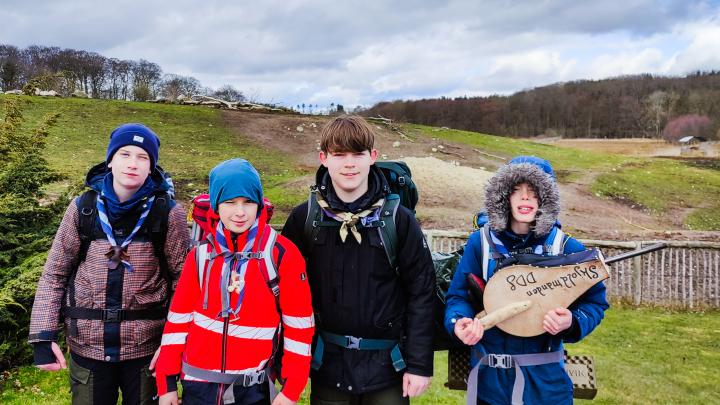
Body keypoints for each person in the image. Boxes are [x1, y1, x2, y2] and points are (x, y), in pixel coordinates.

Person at [28, 123, 190, 404]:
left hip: (146, 350)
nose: (133, 164)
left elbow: (184, 283)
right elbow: (54, 274)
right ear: (110, 160)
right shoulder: (83, 208)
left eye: (143, 157)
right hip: (88, 347)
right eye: (125, 154)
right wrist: (42, 337)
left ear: (151, 166)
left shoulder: (169, 213)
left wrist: (173, 345)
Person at [281, 116, 435, 405]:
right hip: (327, 365)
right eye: (339, 154)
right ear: (324, 158)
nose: (349, 163)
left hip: (388, 368)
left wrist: (419, 364)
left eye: (358, 154)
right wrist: (285, 360)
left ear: (372, 157)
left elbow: (421, 292)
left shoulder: (399, 220)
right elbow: (284, 293)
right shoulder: (305, 219)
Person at [444, 156, 609, 405]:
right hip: (490, 383)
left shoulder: (565, 248)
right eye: (516, 190)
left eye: (534, 191)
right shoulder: (481, 244)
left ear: (546, 199)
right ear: (503, 196)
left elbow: (595, 303)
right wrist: (459, 322)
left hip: (546, 386)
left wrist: (572, 322)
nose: (525, 198)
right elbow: (458, 297)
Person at [154, 158, 314, 405]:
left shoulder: (281, 254)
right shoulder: (201, 255)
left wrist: (291, 389)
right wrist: (166, 383)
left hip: (252, 390)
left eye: (248, 202)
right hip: (198, 387)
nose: (240, 212)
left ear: (259, 204)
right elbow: (178, 320)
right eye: (230, 202)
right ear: (217, 206)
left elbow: (299, 327)